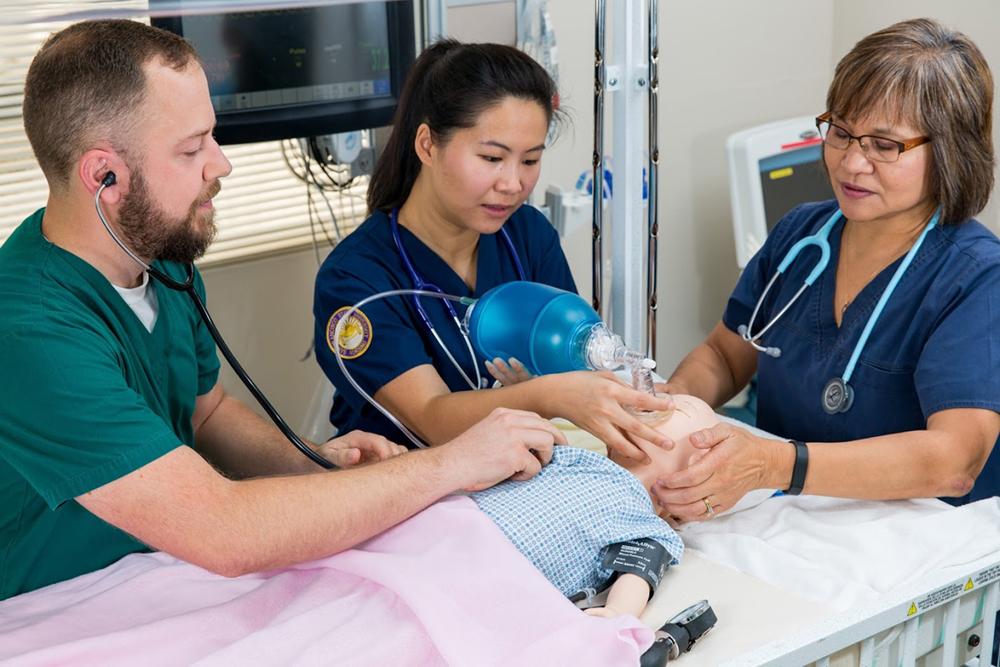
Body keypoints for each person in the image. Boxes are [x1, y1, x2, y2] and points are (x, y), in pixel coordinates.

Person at [0, 19, 562, 602]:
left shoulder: (161, 259)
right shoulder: (29, 330)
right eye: (192, 148)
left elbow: (207, 411)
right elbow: (223, 529)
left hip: (158, 573)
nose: (221, 165)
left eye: (211, 138)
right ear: (104, 176)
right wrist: (450, 464)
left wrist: (313, 460)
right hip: (51, 602)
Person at [652, 18, 1000, 525]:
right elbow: (726, 357)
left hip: (915, 549)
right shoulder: (801, 236)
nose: (851, 163)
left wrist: (773, 463)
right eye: (840, 131)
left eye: (884, 145)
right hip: (784, 523)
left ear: (951, 153)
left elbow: (953, 461)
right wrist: (675, 406)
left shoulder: (976, 278)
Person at [313, 39, 673, 461]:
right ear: (427, 145)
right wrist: (547, 395)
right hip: (405, 496)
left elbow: (575, 359)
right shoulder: (357, 279)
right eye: (491, 158)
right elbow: (431, 418)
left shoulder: (527, 235)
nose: (513, 184)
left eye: (530, 160)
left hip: (518, 477)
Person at [471, 395, 717, 620]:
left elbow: (637, 576)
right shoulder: (577, 457)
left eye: (677, 409)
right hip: (460, 521)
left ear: (695, 468)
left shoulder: (645, 526)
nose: (652, 402)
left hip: (505, 576)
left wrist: (617, 611)